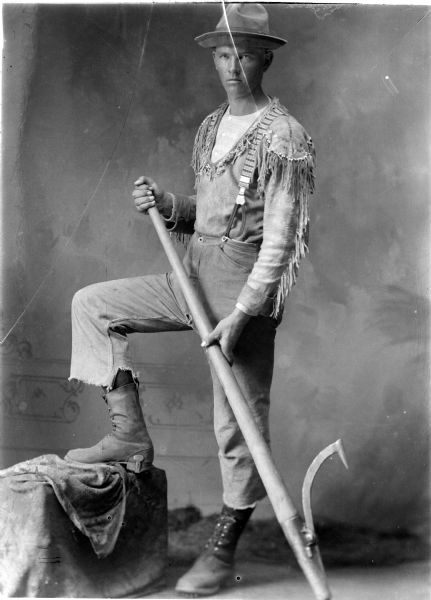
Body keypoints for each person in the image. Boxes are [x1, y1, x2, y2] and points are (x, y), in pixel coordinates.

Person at [66, 3, 315, 596]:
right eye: (224, 54)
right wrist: (168, 203)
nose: (233, 66)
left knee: (238, 426)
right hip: (192, 275)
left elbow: (279, 242)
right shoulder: (210, 126)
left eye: (246, 54)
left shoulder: (285, 136)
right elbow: (208, 215)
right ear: (214, 57)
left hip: (242, 289)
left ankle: (223, 545)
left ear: (267, 58)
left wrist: (243, 314)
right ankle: (128, 434)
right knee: (93, 305)